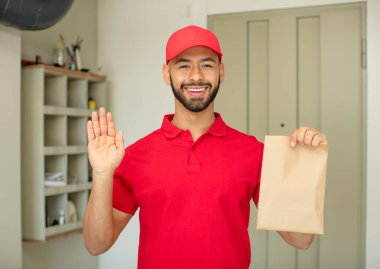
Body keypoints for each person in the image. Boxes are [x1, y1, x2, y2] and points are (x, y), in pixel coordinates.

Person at [83, 25, 328, 269]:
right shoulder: (135, 156)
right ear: (167, 73)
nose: (196, 76)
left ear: (221, 72)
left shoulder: (253, 152)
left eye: (207, 65)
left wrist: (303, 163)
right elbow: (96, 244)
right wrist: (103, 173)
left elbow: (301, 239)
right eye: (184, 65)